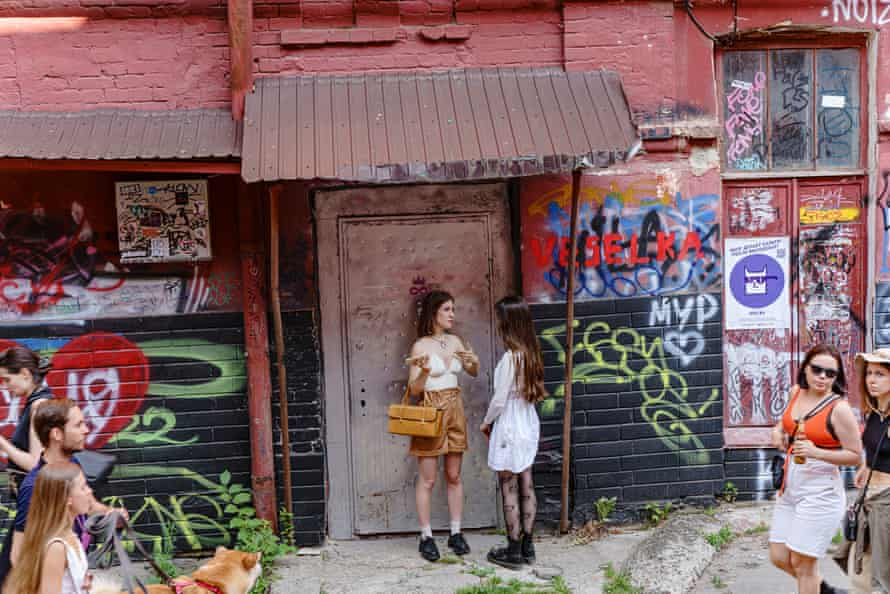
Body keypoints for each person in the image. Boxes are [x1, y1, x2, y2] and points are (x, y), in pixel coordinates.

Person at [769, 344, 862, 594]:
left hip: (820, 493)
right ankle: (827, 592)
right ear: (805, 369)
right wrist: (778, 430)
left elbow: (855, 456)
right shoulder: (796, 392)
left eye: (830, 373)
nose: (822, 377)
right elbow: (785, 421)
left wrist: (816, 452)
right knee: (779, 556)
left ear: (837, 377)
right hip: (789, 489)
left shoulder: (838, 409)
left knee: (803, 564)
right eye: (817, 370)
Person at [4, 398, 121, 577]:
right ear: (57, 434)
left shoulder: (73, 465)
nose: (86, 430)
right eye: (78, 425)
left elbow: (89, 505)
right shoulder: (35, 486)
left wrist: (111, 514)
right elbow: (18, 555)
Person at [405, 290, 479, 562]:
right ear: (434, 313)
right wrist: (424, 371)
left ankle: (456, 533)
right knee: (428, 478)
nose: (452, 315)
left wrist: (473, 362)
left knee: (454, 475)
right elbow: (413, 389)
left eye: (453, 309)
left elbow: (472, 372)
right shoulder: (420, 346)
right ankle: (426, 536)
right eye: (447, 309)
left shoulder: (456, 340)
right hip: (431, 408)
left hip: (455, 407)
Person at [479, 296, 547, 570]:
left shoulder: (510, 358)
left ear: (508, 323)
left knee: (507, 484)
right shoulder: (531, 353)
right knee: (526, 482)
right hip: (528, 419)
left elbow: (498, 400)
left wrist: (486, 423)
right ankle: (529, 545)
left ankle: (514, 549)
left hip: (509, 421)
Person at [3, 462, 93, 594]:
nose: (90, 491)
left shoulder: (70, 535)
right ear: (67, 499)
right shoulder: (57, 547)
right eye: (83, 487)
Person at [846, 348, 890, 593]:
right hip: (869, 498)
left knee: (880, 579)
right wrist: (866, 467)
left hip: (887, 502)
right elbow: (875, 448)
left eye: (880, 374)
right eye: (869, 373)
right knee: (860, 572)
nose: (871, 379)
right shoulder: (874, 414)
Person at [0, 346, 55, 491]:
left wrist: (2, 443)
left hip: (36, 498)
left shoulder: (39, 406)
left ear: (25, 373)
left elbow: (35, 464)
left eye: (7, 379)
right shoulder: (37, 402)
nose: (5, 386)